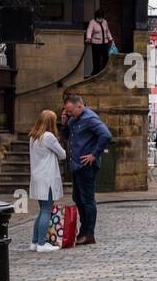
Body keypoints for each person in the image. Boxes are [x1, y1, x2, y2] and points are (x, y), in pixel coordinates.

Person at [59, 94, 112, 246]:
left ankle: (89, 233)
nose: (69, 114)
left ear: (80, 106)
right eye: (67, 112)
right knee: (78, 198)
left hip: (86, 166)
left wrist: (94, 154)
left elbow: (106, 135)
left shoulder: (90, 118)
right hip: (76, 165)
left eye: (70, 111)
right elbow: (66, 137)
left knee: (87, 199)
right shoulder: (73, 119)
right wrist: (64, 124)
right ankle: (83, 231)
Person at [28, 110, 66, 253]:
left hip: (38, 177)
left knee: (42, 210)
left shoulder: (33, 137)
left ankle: (34, 242)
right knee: (46, 210)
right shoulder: (49, 136)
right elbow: (62, 154)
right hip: (47, 178)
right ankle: (42, 243)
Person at [85, 9, 114, 76]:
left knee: (106, 59)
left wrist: (111, 39)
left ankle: (103, 73)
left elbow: (107, 31)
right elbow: (89, 30)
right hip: (96, 44)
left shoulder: (105, 22)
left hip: (105, 44)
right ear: (96, 17)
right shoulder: (92, 22)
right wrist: (88, 38)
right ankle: (95, 73)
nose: (100, 19)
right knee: (96, 60)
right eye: (99, 17)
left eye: (101, 17)